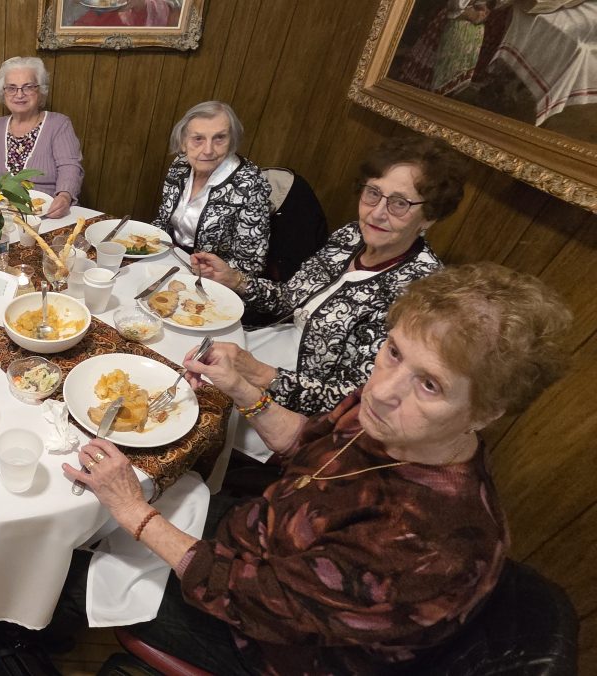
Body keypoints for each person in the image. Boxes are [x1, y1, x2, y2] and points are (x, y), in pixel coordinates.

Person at [60, 263, 571, 674]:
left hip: (266, 643)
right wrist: (242, 390)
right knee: (95, 519)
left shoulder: (424, 544)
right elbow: (308, 443)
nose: (382, 391)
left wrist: (134, 511)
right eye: (394, 352)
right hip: (254, 538)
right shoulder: (391, 422)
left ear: (486, 413)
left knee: (67, 571)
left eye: (430, 385)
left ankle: (39, 642)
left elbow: (249, 600)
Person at [193, 136, 464, 443]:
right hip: (261, 345)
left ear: (430, 216)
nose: (377, 212)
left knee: (194, 417)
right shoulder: (351, 236)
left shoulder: (419, 293)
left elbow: (357, 398)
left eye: (399, 203)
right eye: (373, 193)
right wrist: (236, 280)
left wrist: (260, 374)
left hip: (293, 408)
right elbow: (289, 298)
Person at [152, 101, 271, 277]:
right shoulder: (180, 165)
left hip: (211, 278)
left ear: (232, 142)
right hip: (169, 258)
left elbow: (251, 264)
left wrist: (212, 272)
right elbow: (163, 221)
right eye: (198, 139)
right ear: (183, 142)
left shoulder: (250, 184)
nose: (208, 150)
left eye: (219, 138)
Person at [0, 56, 83, 219]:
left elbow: (70, 167)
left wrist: (64, 196)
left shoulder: (59, 124)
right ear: (3, 93)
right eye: (11, 88)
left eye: (28, 87)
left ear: (40, 90)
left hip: (46, 214)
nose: (19, 94)